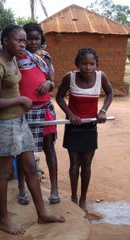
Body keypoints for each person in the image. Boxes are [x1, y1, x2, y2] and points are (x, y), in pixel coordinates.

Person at [0, 24, 65, 235]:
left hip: (20, 122)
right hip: (5, 125)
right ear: (5, 42)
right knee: (4, 172)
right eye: (19, 40)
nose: (23, 44)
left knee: (31, 168)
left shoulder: (13, 60)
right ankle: (4, 220)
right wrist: (22, 99)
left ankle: (42, 213)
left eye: (24, 40)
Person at [56, 47, 113, 211]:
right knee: (74, 164)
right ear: (77, 64)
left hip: (90, 127)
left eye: (91, 64)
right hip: (73, 127)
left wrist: (103, 111)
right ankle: (73, 196)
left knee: (86, 164)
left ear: (96, 65)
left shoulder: (101, 77)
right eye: (83, 63)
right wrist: (70, 114)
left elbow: (110, 93)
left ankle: (83, 198)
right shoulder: (70, 77)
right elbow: (59, 96)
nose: (87, 67)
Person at [17, 22, 60, 205]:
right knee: (22, 152)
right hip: (23, 110)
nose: (33, 42)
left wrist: (48, 84)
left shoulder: (45, 57)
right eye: (29, 39)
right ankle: (22, 188)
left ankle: (54, 189)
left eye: (36, 38)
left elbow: (51, 81)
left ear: (41, 39)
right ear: (23, 40)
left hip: (44, 108)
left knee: (49, 148)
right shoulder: (17, 58)